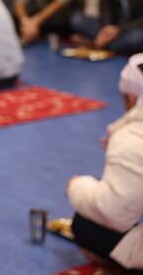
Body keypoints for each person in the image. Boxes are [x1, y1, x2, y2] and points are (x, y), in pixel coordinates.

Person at [66, 53, 143, 271]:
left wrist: (77, 187)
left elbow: (114, 213)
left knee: (85, 226)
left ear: (132, 98)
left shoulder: (133, 136)